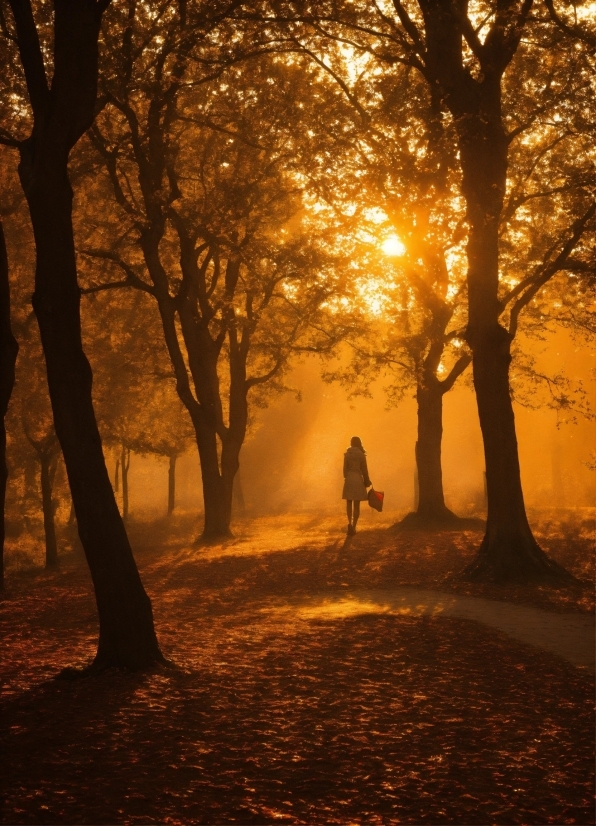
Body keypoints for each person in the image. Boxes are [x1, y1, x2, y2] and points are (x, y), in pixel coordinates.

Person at [342, 436, 371, 535]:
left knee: (349, 502)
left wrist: (347, 476)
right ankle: (354, 526)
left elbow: (344, 471)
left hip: (349, 479)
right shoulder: (361, 455)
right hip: (358, 479)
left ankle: (349, 522)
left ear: (351, 443)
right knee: (357, 504)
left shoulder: (347, 455)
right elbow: (364, 470)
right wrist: (367, 480)